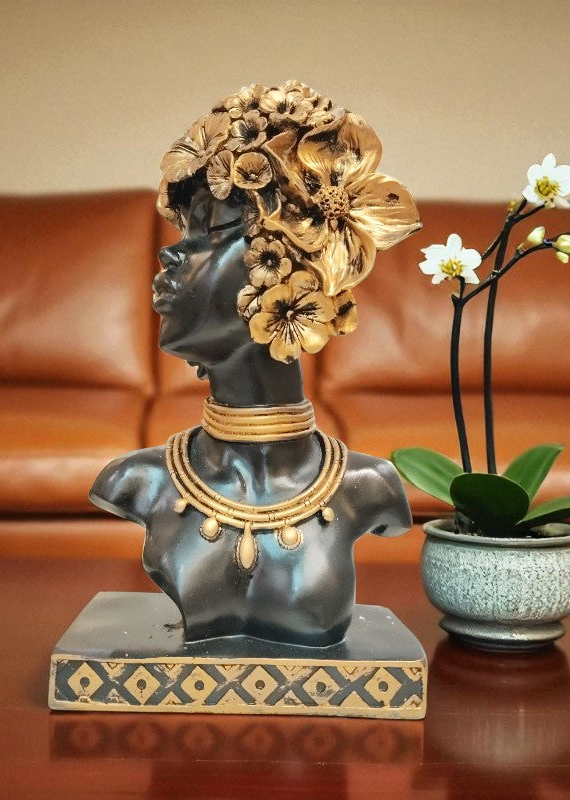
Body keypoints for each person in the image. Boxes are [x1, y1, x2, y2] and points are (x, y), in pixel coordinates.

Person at [90, 81, 421, 647]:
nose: (169, 256)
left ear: (292, 262)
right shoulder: (137, 482)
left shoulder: (370, 487)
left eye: (208, 233)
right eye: (181, 233)